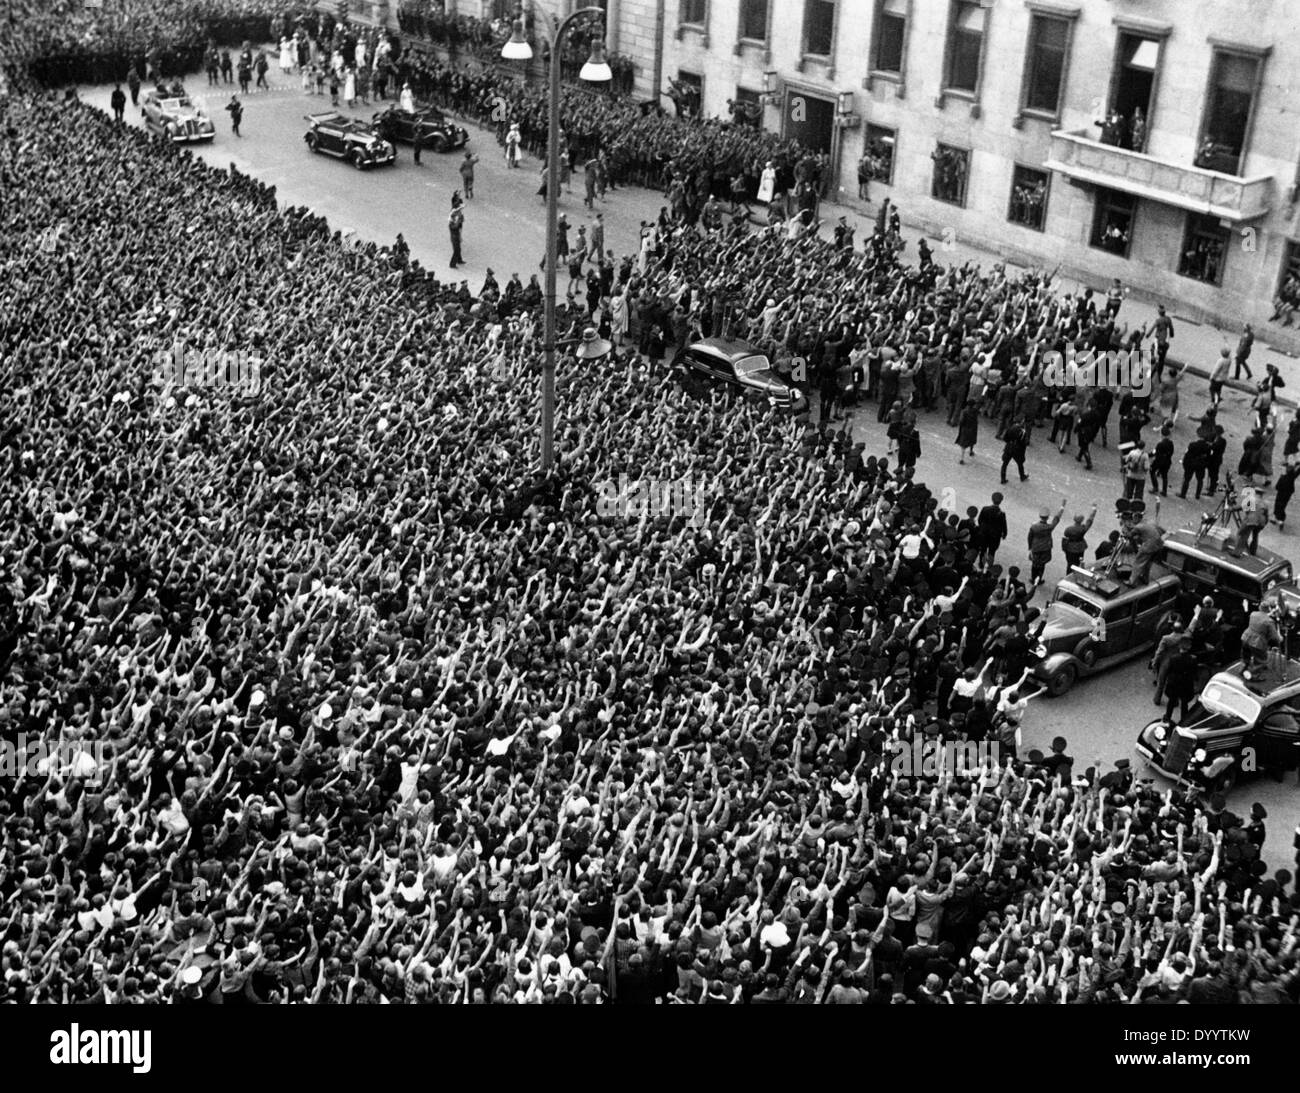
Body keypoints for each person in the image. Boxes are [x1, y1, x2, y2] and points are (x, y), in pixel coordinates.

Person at [1027, 500, 1066, 587]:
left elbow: (1029, 537)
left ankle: (1033, 579)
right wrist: (1062, 508)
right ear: (1047, 517)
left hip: (1036, 547)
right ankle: (1039, 579)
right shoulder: (1049, 527)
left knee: (1034, 564)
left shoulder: (1034, 527)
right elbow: (1056, 519)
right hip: (1046, 548)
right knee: (1042, 564)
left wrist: (1030, 547)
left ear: (1039, 516)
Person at [1060, 503, 1098, 574]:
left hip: (1070, 547)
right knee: (1078, 563)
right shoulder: (1083, 529)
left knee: (1070, 563)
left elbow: (1065, 536)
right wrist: (1094, 510)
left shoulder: (1068, 529)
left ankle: (1068, 575)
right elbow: (1089, 521)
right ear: (1082, 520)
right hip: (1080, 547)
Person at [1000, 417, 1029, 484]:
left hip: (1009, 447)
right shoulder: (1022, 431)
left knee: (1005, 464)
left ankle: (1003, 479)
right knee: (1020, 464)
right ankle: (1022, 476)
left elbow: (1005, 438)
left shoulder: (1010, 428)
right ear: (1021, 422)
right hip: (1017, 450)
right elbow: (1023, 443)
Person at [449, 204, 465, 268]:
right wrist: (458, 220)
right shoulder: (451, 224)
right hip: (454, 238)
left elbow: (460, 223)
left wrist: (460, 217)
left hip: (456, 237)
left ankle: (459, 260)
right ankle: (452, 264)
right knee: (456, 250)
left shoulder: (454, 222)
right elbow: (455, 226)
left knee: (458, 249)